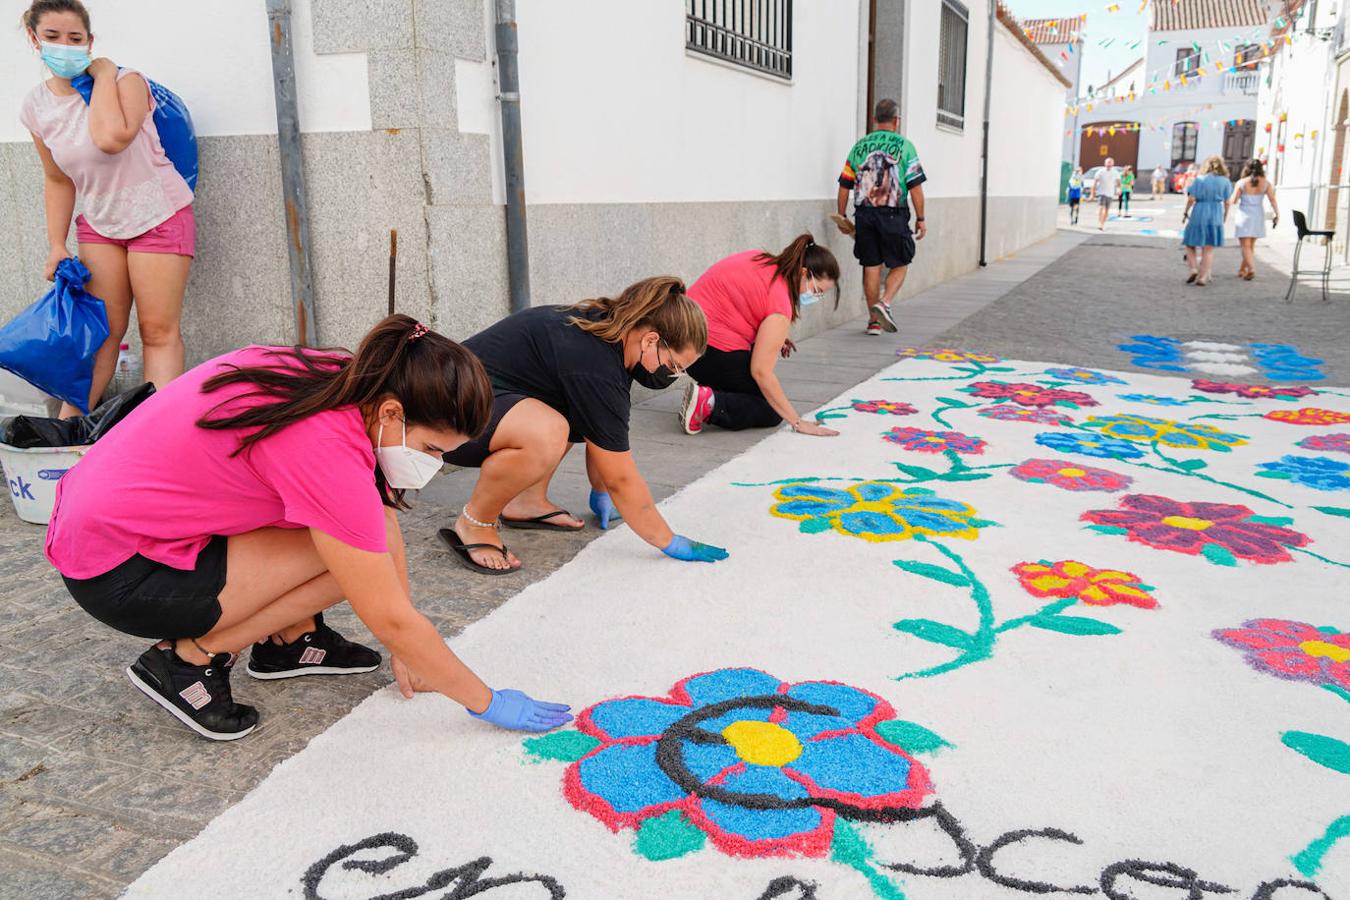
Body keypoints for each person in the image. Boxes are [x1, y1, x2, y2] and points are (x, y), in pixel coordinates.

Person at [44, 315, 572, 741]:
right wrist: (486, 701)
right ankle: (188, 662)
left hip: (106, 527)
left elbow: (377, 518)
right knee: (348, 561)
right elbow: (386, 610)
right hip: (121, 572)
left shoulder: (344, 377)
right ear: (393, 411)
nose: (433, 465)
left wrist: (410, 650)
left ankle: (290, 641)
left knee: (356, 540)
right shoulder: (324, 445)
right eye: (433, 449)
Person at [441, 277, 728, 575]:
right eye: (674, 366)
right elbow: (621, 477)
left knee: (564, 414)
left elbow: (602, 433)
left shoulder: (613, 334)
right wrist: (668, 541)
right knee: (548, 431)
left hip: (474, 400)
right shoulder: (596, 365)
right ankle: (475, 523)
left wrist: (600, 490)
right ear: (651, 340)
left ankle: (526, 501)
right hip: (445, 418)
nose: (670, 375)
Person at [20, 0, 195, 417]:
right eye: (53, 37)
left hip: (159, 216)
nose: (65, 46)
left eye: (75, 38)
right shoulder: (36, 106)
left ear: (90, 42)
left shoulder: (126, 82)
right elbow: (58, 179)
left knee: (157, 331)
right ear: (34, 40)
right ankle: (67, 434)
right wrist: (55, 244)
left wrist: (101, 74)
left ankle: (159, 435)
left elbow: (112, 137)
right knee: (101, 336)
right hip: (100, 224)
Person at [680, 234, 841, 437]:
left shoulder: (759, 258)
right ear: (803, 273)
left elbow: (744, 301)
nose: (815, 297)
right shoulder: (780, 307)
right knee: (770, 409)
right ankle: (710, 403)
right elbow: (761, 372)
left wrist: (772, 336)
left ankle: (708, 392)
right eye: (817, 290)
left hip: (680, 336)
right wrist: (797, 421)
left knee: (753, 376)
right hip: (704, 352)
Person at [835, 98, 926, 337]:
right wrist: (921, 217)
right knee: (902, 261)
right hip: (894, 212)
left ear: (875, 119)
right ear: (896, 121)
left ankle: (873, 322)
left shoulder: (859, 146)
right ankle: (884, 303)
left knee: (871, 265)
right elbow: (915, 187)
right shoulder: (906, 146)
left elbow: (844, 184)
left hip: (864, 213)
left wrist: (842, 214)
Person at [1181, 156, 1231, 286]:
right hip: (1215, 213)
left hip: (1199, 211)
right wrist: (1225, 215)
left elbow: (1191, 198)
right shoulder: (1225, 181)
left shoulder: (1199, 180)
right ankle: (1203, 277)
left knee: (1189, 243)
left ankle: (1193, 269)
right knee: (1208, 248)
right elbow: (1227, 202)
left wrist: (1186, 211)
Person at [1230, 158, 1280, 281]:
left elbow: (1234, 200)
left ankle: (1251, 269)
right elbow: (1272, 199)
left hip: (1245, 214)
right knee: (1251, 245)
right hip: (1258, 214)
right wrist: (1277, 213)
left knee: (1245, 246)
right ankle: (1242, 270)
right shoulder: (1266, 183)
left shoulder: (1242, 182)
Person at [1093, 158, 1121, 230]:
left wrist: (1119, 190)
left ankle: (1102, 223)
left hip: (1110, 193)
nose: (1109, 164)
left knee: (1107, 211)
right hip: (1101, 192)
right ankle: (1100, 223)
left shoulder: (1115, 172)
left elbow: (1118, 183)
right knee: (1101, 208)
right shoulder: (1100, 172)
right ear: (1105, 164)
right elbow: (1095, 183)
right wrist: (1092, 193)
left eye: (1110, 163)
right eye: (1108, 163)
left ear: (1113, 164)